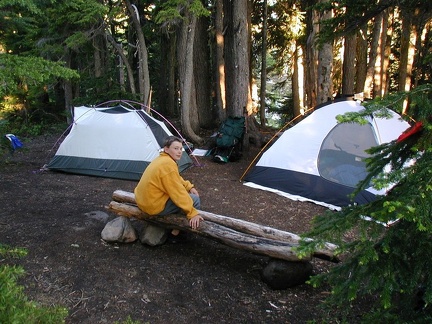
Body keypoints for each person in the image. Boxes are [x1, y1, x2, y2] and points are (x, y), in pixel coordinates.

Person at [134, 136, 203, 241]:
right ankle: (176, 233)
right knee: (194, 199)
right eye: (176, 148)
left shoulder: (162, 159)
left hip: (142, 200)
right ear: (166, 149)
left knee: (186, 197)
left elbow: (176, 178)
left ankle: (175, 227)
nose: (179, 152)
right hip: (153, 206)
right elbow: (177, 193)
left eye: (180, 149)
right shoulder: (168, 165)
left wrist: (188, 186)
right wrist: (192, 213)